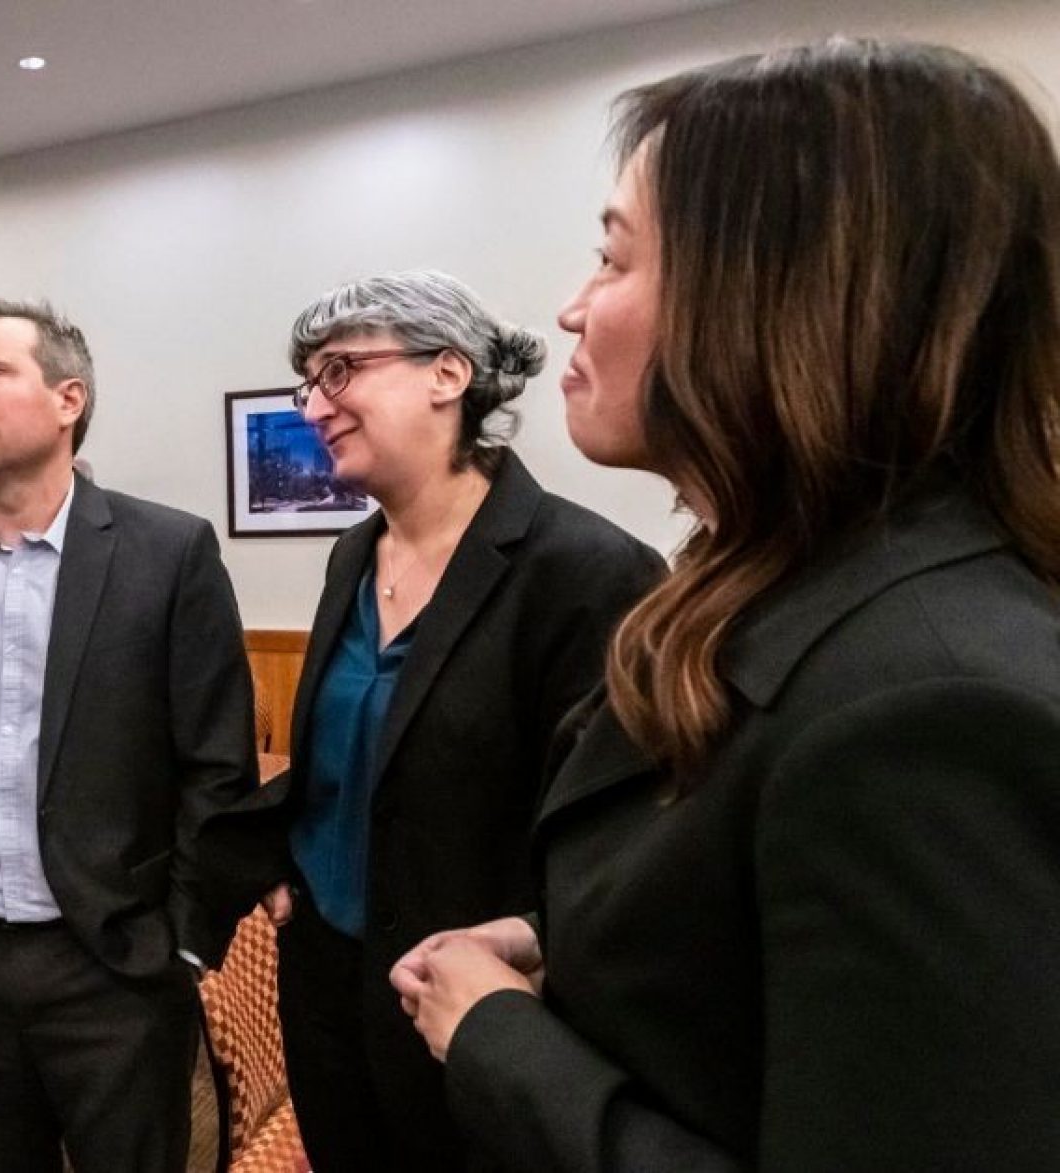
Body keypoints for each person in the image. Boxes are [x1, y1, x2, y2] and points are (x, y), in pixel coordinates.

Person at [393, 38, 1060, 1171]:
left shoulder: (928, 707)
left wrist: (499, 1038)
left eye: (613, 261)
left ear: (770, 291)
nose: (570, 309)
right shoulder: (791, 598)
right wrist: (575, 944)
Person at [0, 294, 282, 1172]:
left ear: (68, 399)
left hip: (112, 967)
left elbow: (217, 765)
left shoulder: (168, 553)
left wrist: (185, 940)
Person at [268, 271, 662, 1170]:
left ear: (448, 375)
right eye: (308, 384)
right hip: (328, 983)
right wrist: (278, 862)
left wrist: (527, 947)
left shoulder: (587, 571)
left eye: (340, 373)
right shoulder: (351, 555)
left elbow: (624, 845)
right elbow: (348, 757)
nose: (316, 406)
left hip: (480, 1008)